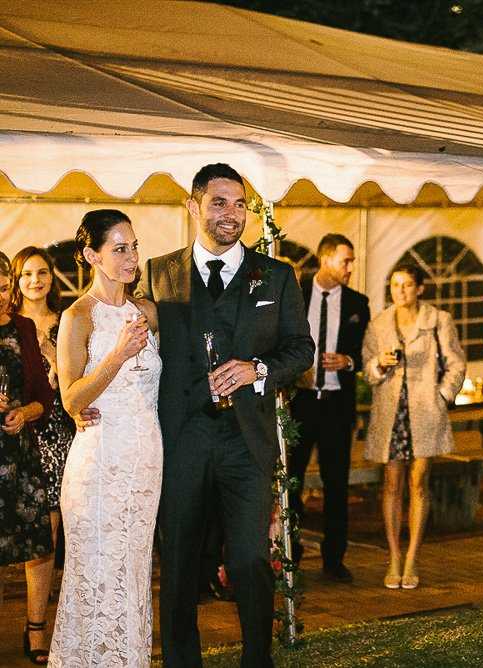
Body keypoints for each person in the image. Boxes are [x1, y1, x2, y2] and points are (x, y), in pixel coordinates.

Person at [135, 163, 313, 668]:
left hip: (246, 438)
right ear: (193, 207)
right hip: (181, 436)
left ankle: (257, 660)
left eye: (240, 205)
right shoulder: (158, 272)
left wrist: (258, 369)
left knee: (250, 558)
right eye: (219, 202)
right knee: (179, 562)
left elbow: (301, 350)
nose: (232, 214)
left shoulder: (276, 275)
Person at [46, 210, 160, 666]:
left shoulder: (147, 312)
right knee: (97, 570)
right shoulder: (77, 316)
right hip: (100, 460)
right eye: (120, 249)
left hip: (146, 458)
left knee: (134, 569)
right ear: (92, 255)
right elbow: (72, 399)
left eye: (134, 247)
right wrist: (117, 354)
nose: (132, 258)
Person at [362, 264, 465, 590]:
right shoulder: (379, 323)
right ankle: (394, 556)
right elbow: (367, 369)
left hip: (425, 412)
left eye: (407, 285)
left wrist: (442, 395)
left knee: (419, 482)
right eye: (395, 285)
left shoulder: (439, 320)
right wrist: (379, 364)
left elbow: (457, 363)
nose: (400, 291)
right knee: (392, 484)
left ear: (419, 288)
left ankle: (412, 557)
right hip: (391, 412)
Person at [288, 233, 370, 581]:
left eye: (352, 261)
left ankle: (334, 559)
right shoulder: (296, 293)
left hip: (336, 405)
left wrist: (348, 361)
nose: (350, 267)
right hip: (301, 403)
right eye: (345, 261)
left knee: (336, 485)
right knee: (291, 481)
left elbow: (365, 352)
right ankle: (290, 554)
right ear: (325, 260)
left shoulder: (357, 302)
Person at [0, 251, 55, 666]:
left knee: (39, 544)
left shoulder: (23, 327)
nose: (0, 296)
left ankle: (36, 631)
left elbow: (44, 397)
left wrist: (25, 413)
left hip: (21, 455)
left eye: (3, 288)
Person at [12, 247, 76, 567]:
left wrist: (51, 351)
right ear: (15, 279)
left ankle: (44, 590)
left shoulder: (68, 321)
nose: (35, 280)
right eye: (27, 273)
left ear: (52, 278)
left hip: (56, 431)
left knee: (48, 523)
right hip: (14, 428)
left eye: (42, 273)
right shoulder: (7, 323)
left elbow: (80, 378)